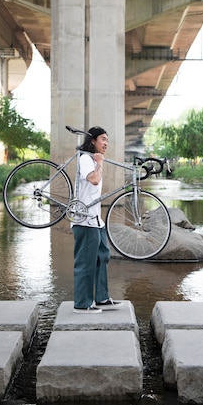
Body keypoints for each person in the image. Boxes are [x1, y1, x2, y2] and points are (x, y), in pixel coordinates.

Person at [72, 126, 121, 314]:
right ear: (92, 141)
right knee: (85, 262)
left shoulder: (93, 159)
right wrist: (99, 163)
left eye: (107, 139)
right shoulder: (86, 159)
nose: (106, 143)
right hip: (84, 221)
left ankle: (101, 297)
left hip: (95, 220)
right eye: (103, 139)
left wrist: (98, 162)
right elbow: (93, 179)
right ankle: (82, 304)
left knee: (103, 256)